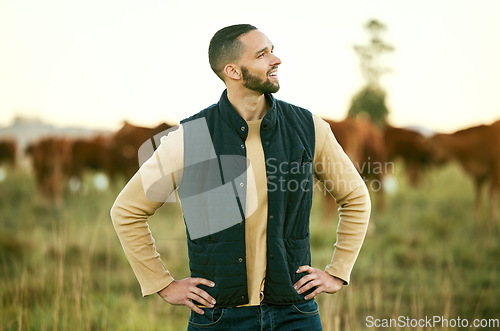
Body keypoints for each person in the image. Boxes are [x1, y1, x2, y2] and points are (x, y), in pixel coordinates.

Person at [111, 24, 371, 330]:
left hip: (295, 314)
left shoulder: (309, 128)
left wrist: (338, 271)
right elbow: (126, 210)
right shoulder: (191, 138)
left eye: (272, 50)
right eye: (262, 54)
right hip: (219, 317)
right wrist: (163, 284)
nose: (276, 60)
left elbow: (355, 197)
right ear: (233, 71)